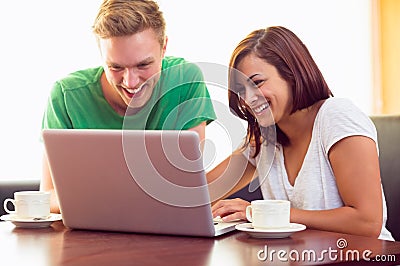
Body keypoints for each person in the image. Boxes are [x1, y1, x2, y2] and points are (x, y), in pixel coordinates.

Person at [207, 26, 393, 240]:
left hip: (363, 259)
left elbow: (367, 222)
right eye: (241, 92)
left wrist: (260, 213)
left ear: (291, 74)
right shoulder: (264, 141)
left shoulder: (337, 116)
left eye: (257, 83)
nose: (248, 99)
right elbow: (201, 193)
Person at [41, 0, 216, 213]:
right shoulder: (66, 96)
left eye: (143, 65)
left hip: (166, 231)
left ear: (164, 48)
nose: (131, 82)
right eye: (115, 67)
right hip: (91, 234)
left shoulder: (185, 80)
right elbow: (47, 195)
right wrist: (110, 202)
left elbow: (187, 184)